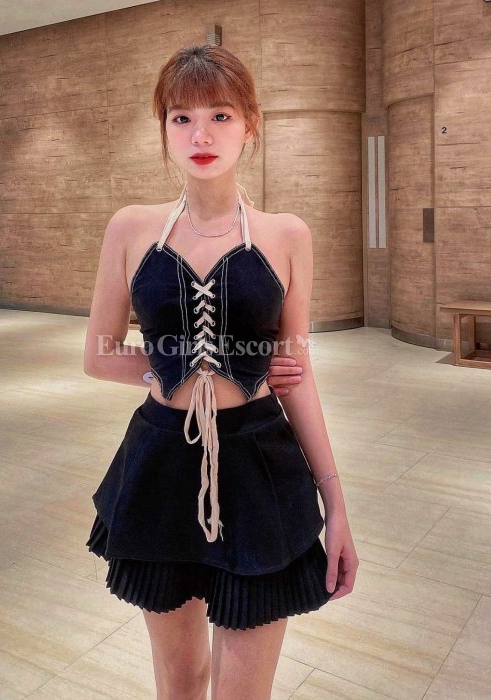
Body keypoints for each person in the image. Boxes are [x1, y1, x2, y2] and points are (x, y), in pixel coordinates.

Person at [84, 44, 358, 700]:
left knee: (243, 692)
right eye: (181, 118)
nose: (200, 135)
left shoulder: (286, 234)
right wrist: (168, 371)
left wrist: (336, 501)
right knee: (179, 683)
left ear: (250, 125)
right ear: (163, 129)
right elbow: (99, 353)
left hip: (257, 463)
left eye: (220, 115)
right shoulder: (131, 228)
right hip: (161, 462)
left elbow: (296, 370)